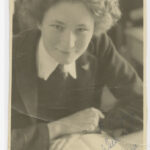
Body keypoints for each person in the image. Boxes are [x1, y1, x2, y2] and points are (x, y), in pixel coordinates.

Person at [11, 0, 143, 150]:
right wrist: (58, 128)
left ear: (95, 28)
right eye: (57, 27)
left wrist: (98, 124)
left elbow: (142, 101)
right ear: (39, 22)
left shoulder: (98, 45)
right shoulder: (9, 53)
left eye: (81, 29)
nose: (69, 43)